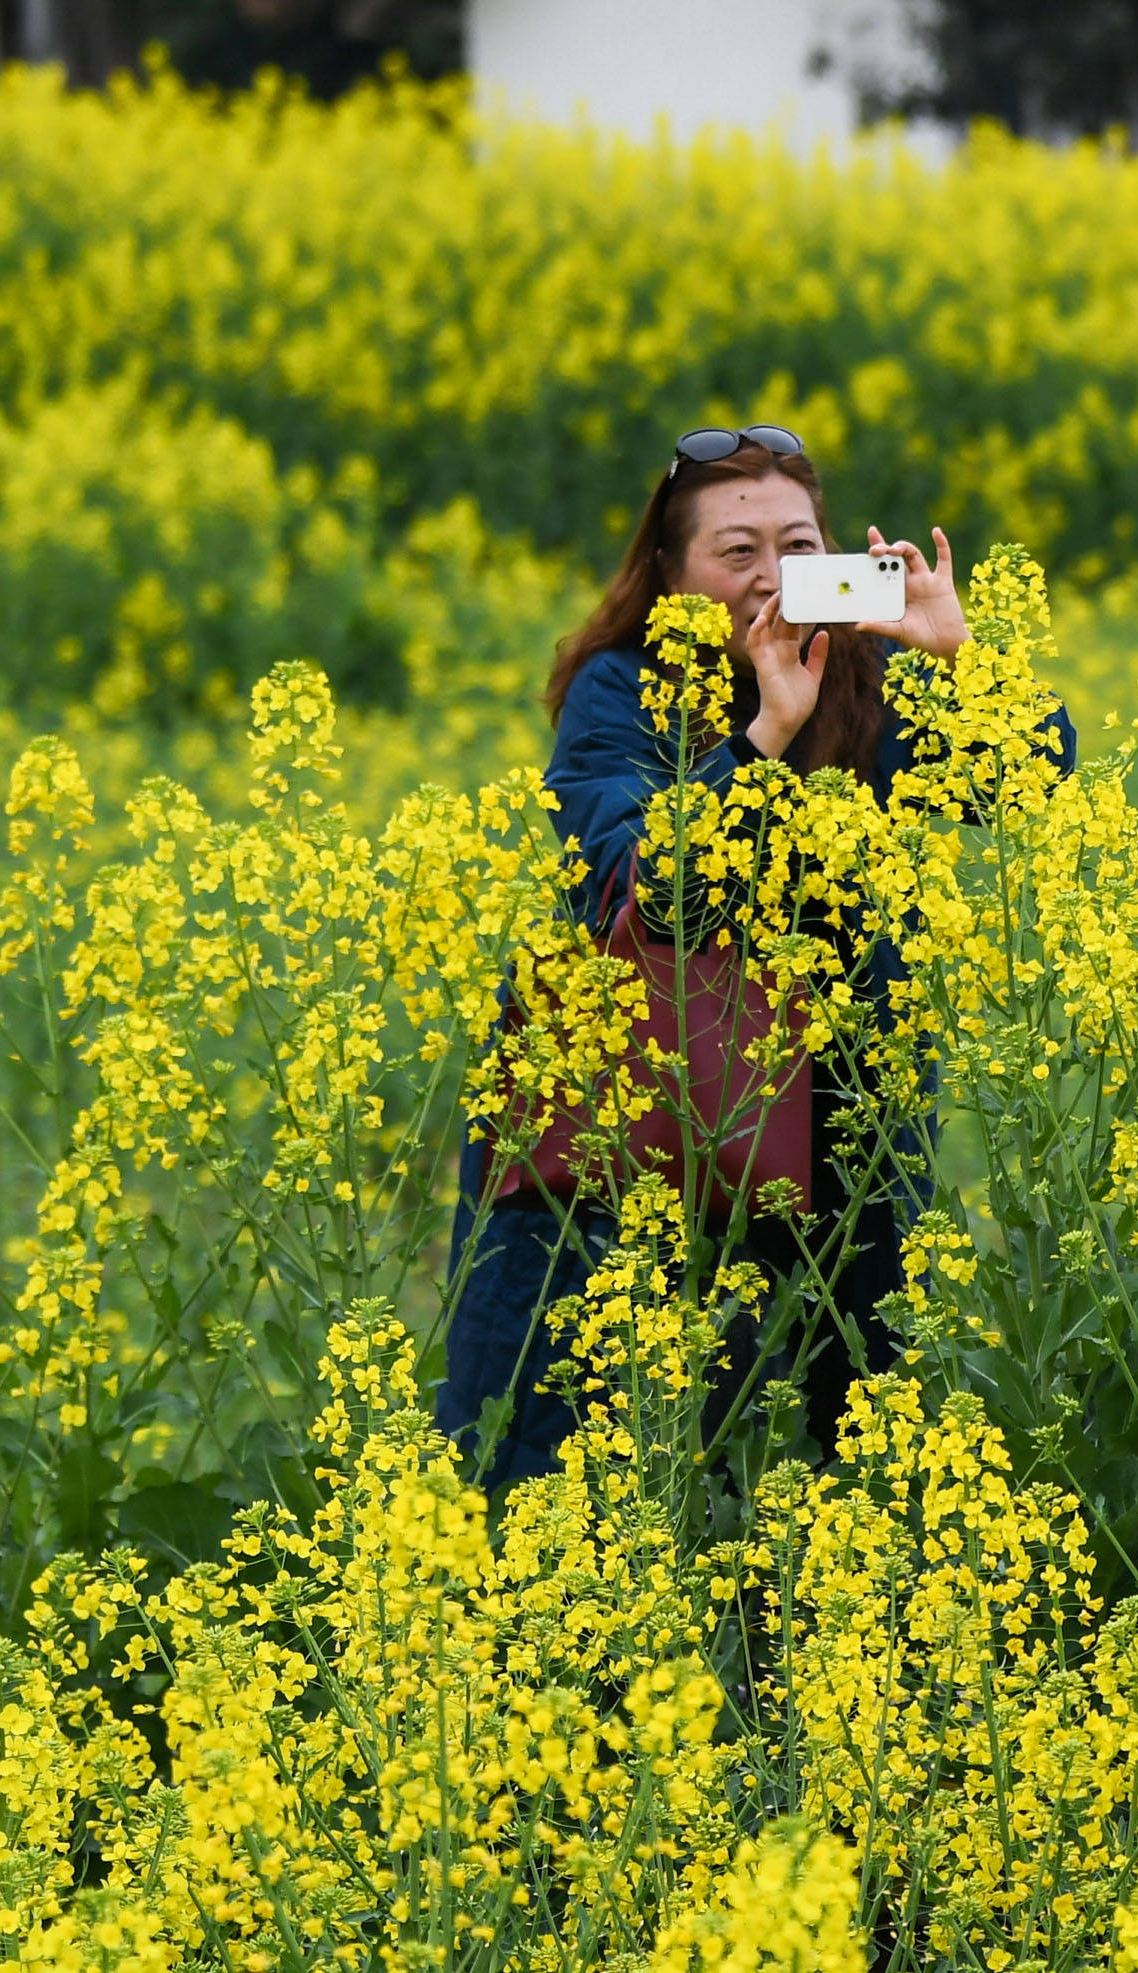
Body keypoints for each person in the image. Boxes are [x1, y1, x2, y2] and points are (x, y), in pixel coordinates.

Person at [432, 425, 1063, 1490]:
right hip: (634, 1091)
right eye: (735, 553)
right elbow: (654, 889)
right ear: (669, 576)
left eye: (798, 544)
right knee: (553, 1428)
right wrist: (767, 729)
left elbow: (1026, 779)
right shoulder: (617, 690)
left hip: (837, 1099)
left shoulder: (867, 676)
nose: (770, 576)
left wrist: (960, 660)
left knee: (839, 1421)